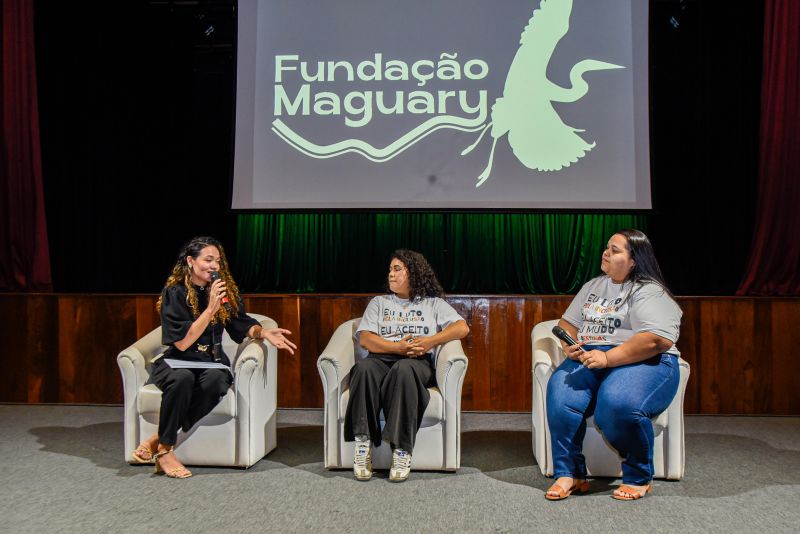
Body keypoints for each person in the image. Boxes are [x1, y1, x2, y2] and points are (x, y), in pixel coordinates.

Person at [131, 236, 296, 478]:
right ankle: (166, 450)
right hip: (179, 359)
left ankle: (157, 439)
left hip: (211, 362)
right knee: (182, 380)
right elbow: (183, 342)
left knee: (216, 382)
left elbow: (240, 323)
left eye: (218, 261)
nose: (214, 266)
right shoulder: (174, 293)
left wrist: (262, 332)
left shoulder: (222, 291)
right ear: (190, 261)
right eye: (208, 260)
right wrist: (210, 309)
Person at [545, 229, 682, 501]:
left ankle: (639, 475)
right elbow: (567, 323)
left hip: (646, 360)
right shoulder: (593, 286)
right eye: (607, 247)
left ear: (634, 261)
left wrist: (608, 358)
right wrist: (568, 344)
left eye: (614, 250)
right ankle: (570, 473)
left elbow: (656, 340)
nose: (605, 253)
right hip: (593, 355)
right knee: (560, 396)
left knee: (617, 405)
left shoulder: (650, 291)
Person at [344, 249, 469, 482]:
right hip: (381, 358)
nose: (390, 274)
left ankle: (402, 450)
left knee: (404, 370)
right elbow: (366, 339)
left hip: (416, 362)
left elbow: (462, 327)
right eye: (390, 269)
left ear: (413, 272)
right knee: (363, 369)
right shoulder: (379, 303)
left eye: (397, 269)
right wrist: (397, 348)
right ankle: (363, 444)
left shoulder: (433, 304)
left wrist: (429, 341)